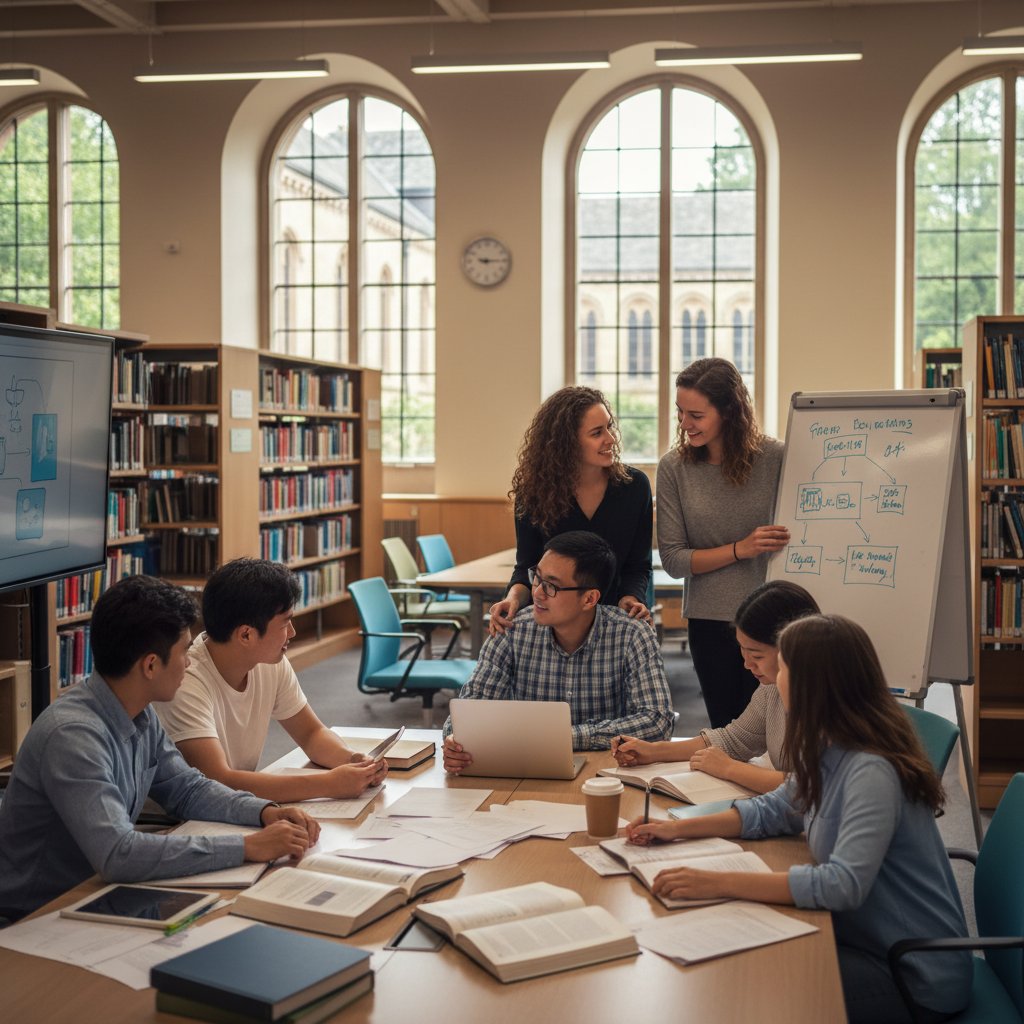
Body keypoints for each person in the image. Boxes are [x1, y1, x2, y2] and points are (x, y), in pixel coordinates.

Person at [627, 614, 971, 1024]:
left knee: (754, 991)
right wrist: (676, 829)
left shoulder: (870, 769)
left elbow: (841, 886)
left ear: (813, 680)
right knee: (742, 963)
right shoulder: (828, 745)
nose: (774, 675)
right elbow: (773, 810)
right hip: (861, 940)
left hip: (912, 974)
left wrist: (715, 881)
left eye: (784, 664)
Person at [0, 576, 320, 923]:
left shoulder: (139, 712)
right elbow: (118, 853)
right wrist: (247, 847)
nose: (189, 663)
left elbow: (189, 789)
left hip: (93, 896)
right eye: (184, 651)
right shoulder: (72, 736)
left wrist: (264, 812)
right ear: (151, 665)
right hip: (33, 915)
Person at [156, 558, 387, 802]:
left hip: (234, 806)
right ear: (246, 634)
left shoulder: (266, 661)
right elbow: (218, 781)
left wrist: (352, 760)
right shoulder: (186, 681)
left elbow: (311, 733)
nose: (293, 633)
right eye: (286, 622)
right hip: (182, 821)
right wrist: (328, 784)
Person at [444, 531, 673, 773]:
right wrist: (454, 743)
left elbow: (657, 721)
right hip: (529, 771)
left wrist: (563, 737)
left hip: (607, 775)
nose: (537, 593)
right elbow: (464, 716)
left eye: (552, 586)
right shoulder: (511, 630)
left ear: (589, 599)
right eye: (537, 578)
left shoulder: (632, 634)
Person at [657, 357, 790, 728]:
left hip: (772, 621)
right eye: (680, 413)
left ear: (729, 411)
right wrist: (740, 549)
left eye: (696, 415)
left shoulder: (777, 458)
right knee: (724, 730)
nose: (684, 424)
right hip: (709, 621)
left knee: (772, 733)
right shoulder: (674, 468)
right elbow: (673, 560)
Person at [613, 580, 819, 794]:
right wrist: (653, 751)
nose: (747, 664)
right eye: (743, 650)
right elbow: (734, 740)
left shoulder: (832, 698)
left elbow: (812, 788)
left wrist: (729, 768)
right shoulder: (772, 687)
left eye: (757, 655)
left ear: (795, 646)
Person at [489, 386, 653, 635]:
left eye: (609, 427)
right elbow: (527, 566)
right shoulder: (534, 492)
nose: (611, 439)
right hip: (554, 627)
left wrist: (631, 598)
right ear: (567, 443)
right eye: (597, 433)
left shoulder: (635, 487)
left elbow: (638, 566)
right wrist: (513, 598)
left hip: (614, 624)